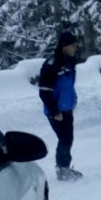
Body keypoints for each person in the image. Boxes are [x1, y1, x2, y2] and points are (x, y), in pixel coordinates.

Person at [39, 30, 83, 181]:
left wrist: (73, 99)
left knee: (68, 138)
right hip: (56, 111)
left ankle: (65, 167)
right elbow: (44, 92)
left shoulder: (69, 63)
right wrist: (55, 110)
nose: (75, 48)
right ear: (65, 46)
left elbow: (68, 85)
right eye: (73, 45)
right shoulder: (52, 64)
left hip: (66, 107)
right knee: (64, 138)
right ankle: (62, 169)